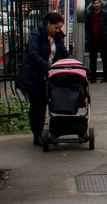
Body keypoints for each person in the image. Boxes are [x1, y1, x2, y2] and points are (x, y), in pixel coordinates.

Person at [16, 12, 70, 146]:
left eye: (59, 28)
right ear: (48, 24)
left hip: (47, 75)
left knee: (47, 102)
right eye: (56, 28)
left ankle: (49, 131)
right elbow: (33, 54)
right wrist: (48, 66)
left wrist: (74, 63)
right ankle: (37, 134)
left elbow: (62, 52)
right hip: (33, 75)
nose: (57, 31)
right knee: (38, 105)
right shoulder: (36, 35)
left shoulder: (56, 37)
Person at [85, 0, 107, 82]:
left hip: (103, 39)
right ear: (92, 5)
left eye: (97, 3)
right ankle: (93, 78)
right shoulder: (89, 14)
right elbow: (86, 27)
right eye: (94, 3)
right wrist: (87, 37)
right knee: (92, 59)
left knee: (104, 58)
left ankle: (105, 77)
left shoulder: (106, 14)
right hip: (92, 39)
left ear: (100, 4)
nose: (96, 5)